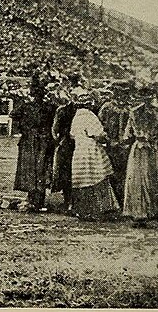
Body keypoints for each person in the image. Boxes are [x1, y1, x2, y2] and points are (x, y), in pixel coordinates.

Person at [122, 86, 158, 227]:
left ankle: (138, 212)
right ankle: (152, 211)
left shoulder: (134, 112)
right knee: (151, 178)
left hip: (139, 148)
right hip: (152, 148)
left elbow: (127, 135)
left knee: (137, 178)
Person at [69, 93, 119, 221]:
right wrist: (108, 139)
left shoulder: (76, 117)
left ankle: (83, 210)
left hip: (79, 149)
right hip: (91, 150)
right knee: (97, 178)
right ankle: (99, 209)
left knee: (83, 180)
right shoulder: (89, 116)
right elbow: (98, 135)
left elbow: (72, 135)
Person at [11, 73, 56, 211]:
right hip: (43, 139)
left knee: (32, 169)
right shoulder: (49, 107)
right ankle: (38, 198)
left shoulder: (27, 106)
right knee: (41, 169)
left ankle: (34, 198)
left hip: (31, 140)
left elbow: (13, 115)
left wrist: (24, 127)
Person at [97, 83, 132, 203]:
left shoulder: (129, 109)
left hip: (125, 145)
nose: (121, 96)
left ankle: (123, 200)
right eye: (119, 93)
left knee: (124, 172)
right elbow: (100, 125)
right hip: (111, 144)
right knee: (112, 172)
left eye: (124, 93)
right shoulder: (107, 107)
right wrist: (108, 139)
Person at [50, 86, 77, 212]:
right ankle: (70, 201)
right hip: (73, 143)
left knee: (66, 172)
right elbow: (55, 129)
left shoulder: (62, 110)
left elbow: (54, 130)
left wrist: (57, 141)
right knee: (69, 172)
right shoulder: (66, 110)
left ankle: (68, 201)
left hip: (67, 143)